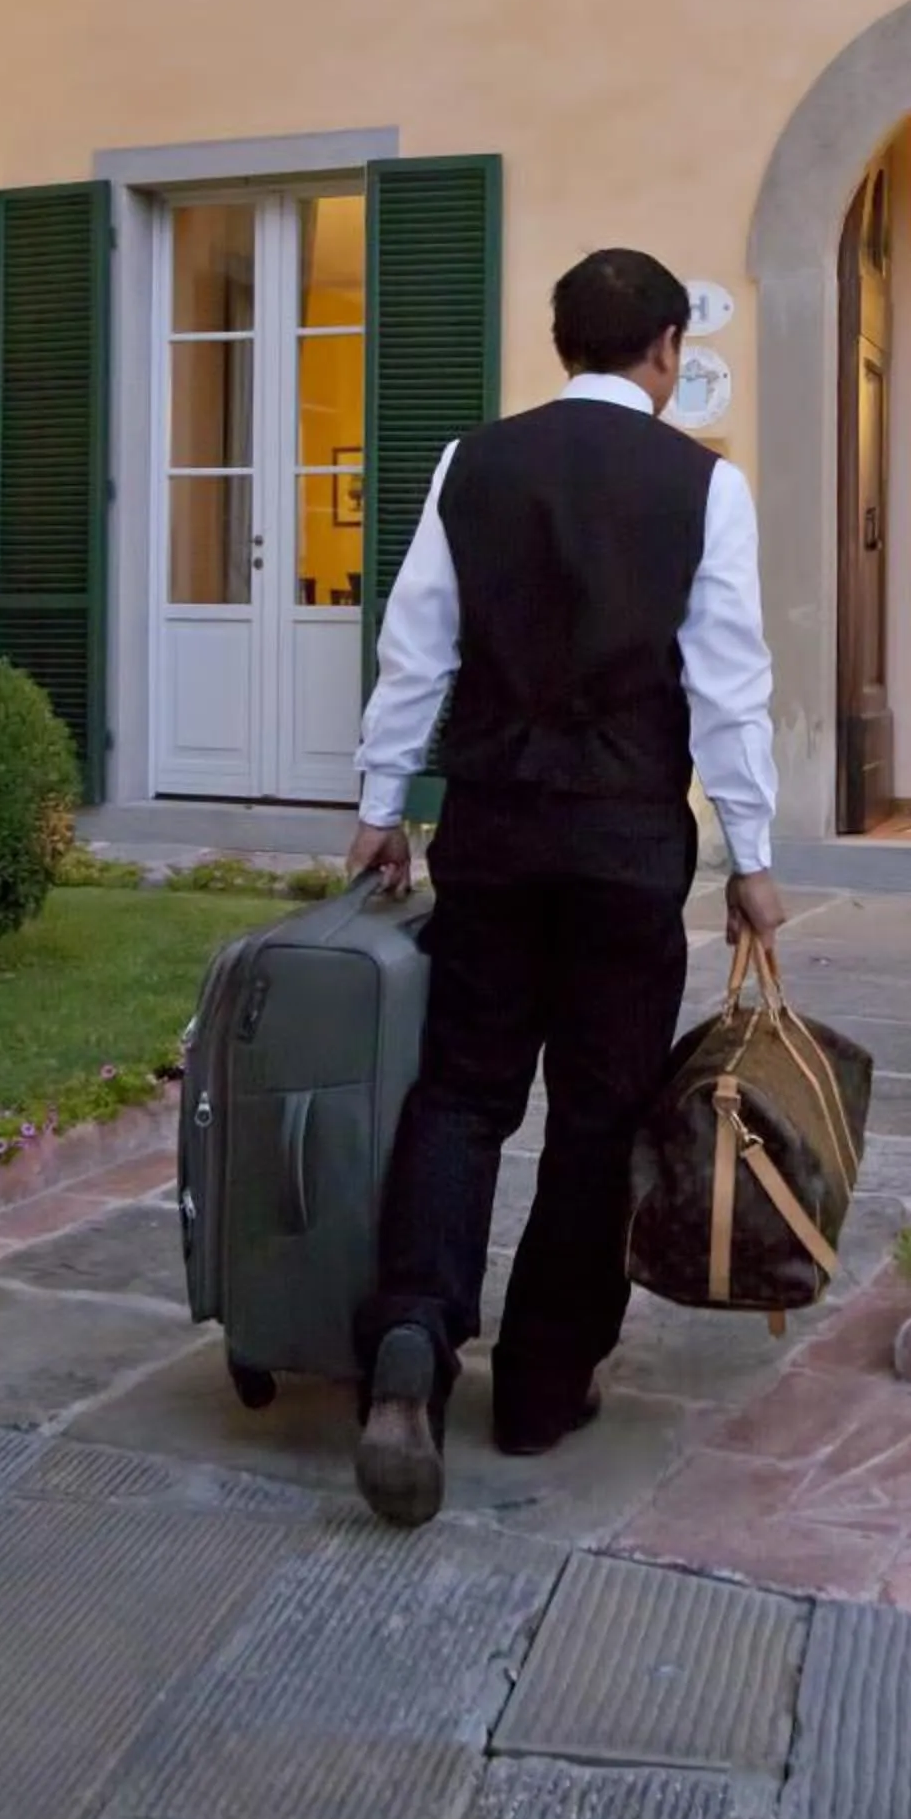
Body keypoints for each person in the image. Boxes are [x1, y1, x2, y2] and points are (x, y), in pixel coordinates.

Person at [346, 248, 784, 1527]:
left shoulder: (468, 463)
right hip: (623, 841)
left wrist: (381, 810)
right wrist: (751, 860)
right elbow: (727, 687)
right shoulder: (706, 484)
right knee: (599, 1114)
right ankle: (541, 1389)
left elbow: (413, 647)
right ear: (661, 351)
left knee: (462, 1091)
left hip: (489, 825)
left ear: (559, 346)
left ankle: (412, 1343)